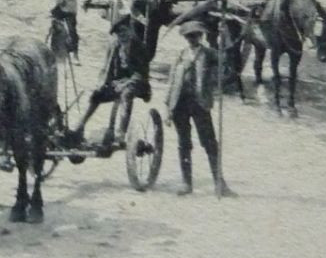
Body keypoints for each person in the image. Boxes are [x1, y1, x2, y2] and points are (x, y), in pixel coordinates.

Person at [166, 21, 233, 197]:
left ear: (201, 36)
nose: (192, 39)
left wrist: (224, 36)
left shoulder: (208, 54)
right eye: (189, 36)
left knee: (210, 143)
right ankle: (187, 183)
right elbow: (172, 81)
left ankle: (220, 184)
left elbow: (226, 62)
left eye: (195, 35)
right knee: (184, 143)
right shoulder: (180, 55)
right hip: (180, 103)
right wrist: (168, 107)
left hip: (200, 104)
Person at [73, 16, 151, 155]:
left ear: (130, 30)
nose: (121, 35)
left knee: (126, 94)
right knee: (96, 95)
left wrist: (127, 83)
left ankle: (121, 132)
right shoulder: (114, 45)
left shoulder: (139, 47)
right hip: (118, 83)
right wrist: (101, 84)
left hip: (137, 83)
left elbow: (141, 73)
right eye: (118, 33)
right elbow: (107, 68)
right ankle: (80, 125)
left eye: (124, 31)